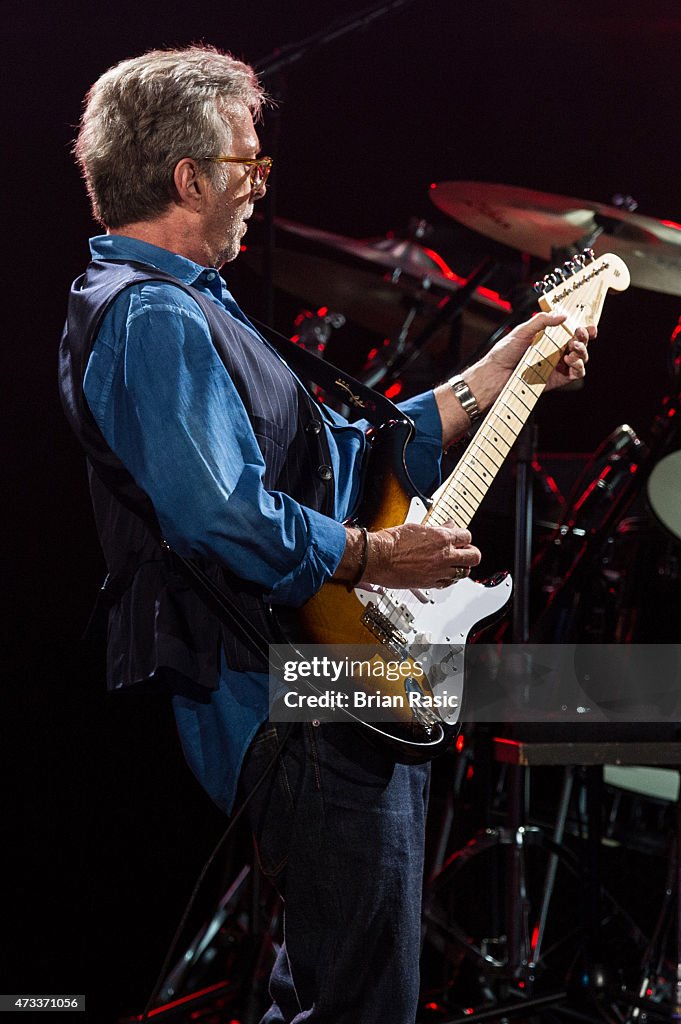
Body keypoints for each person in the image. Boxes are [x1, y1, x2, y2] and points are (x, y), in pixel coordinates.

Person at [59, 45, 592, 1024]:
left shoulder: (190, 309)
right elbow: (223, 513)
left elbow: (351, 454)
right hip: (278, 683)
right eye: (248, 161)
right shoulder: (151, 318)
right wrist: (377, 556)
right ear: (191, 177)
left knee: (333, 988)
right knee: (362, 1000)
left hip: (314, 677)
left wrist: (505, 363)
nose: (262, 182)